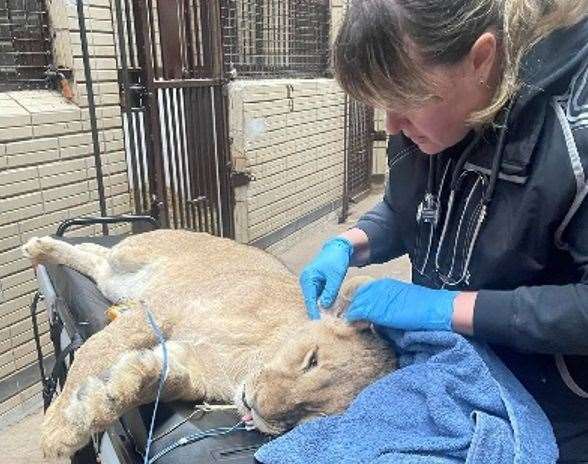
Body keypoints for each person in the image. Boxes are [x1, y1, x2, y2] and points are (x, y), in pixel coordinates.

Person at [299, 0, 588, 461]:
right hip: (453, 364)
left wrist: (449, 307)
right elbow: (408, 205)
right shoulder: (433, 117)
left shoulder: (576, 127)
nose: (391, 126)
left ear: (481, 58)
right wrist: (349, 242)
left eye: (405, 101)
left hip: (555, 400)